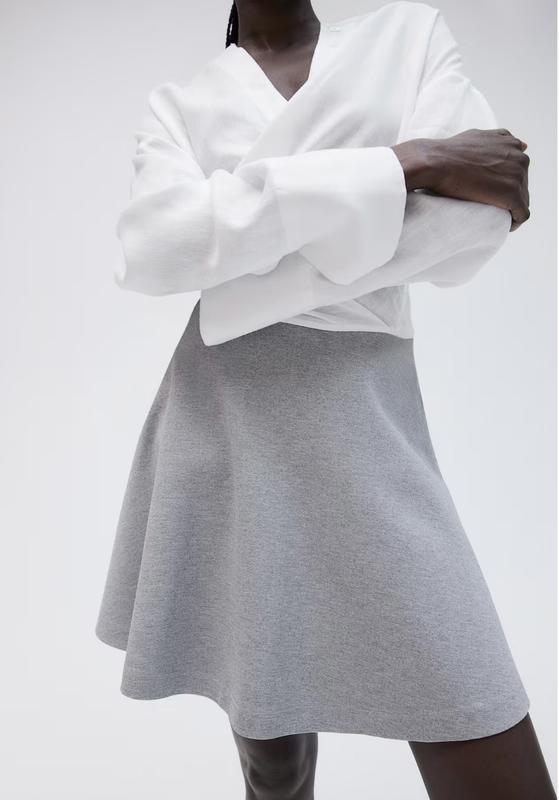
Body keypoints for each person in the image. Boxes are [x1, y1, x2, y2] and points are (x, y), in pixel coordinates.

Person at [95, 2, 555, 798]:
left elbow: (469, 228)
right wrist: (404, 165)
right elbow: (155, 247)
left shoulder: (407, 38)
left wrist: (238, 269)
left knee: (467, 695)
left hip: (365, 412)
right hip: (226, 417)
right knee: (270, 751)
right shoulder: (182, 103)